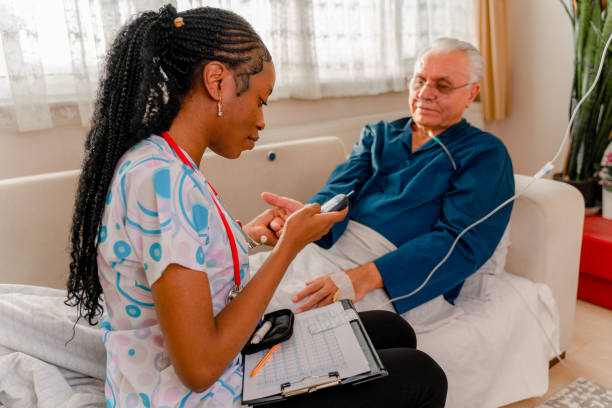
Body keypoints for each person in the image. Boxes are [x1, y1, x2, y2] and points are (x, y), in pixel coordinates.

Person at [66, 5, 447, 407]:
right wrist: (287, 249)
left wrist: (244, 239)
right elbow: (198, 370)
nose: (262, 120)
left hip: (217, 372)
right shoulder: (161, 181)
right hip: (194, 395)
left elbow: (181, 257)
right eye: (261, 100)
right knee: (421, 376)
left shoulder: (164, 162)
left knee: (390, 330)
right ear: (217, 81)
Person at [262, 37, 515, 315]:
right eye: (419, 80)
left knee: (281, 312)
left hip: (397, 275)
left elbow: (462, 240)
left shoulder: (484, 153)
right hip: (334, 249)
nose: (425, 93)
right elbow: (341, 187)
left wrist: (365, 276)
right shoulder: (379, 134)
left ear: (471, 93)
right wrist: (311, 217)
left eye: (442, 85)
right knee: (246, 284)